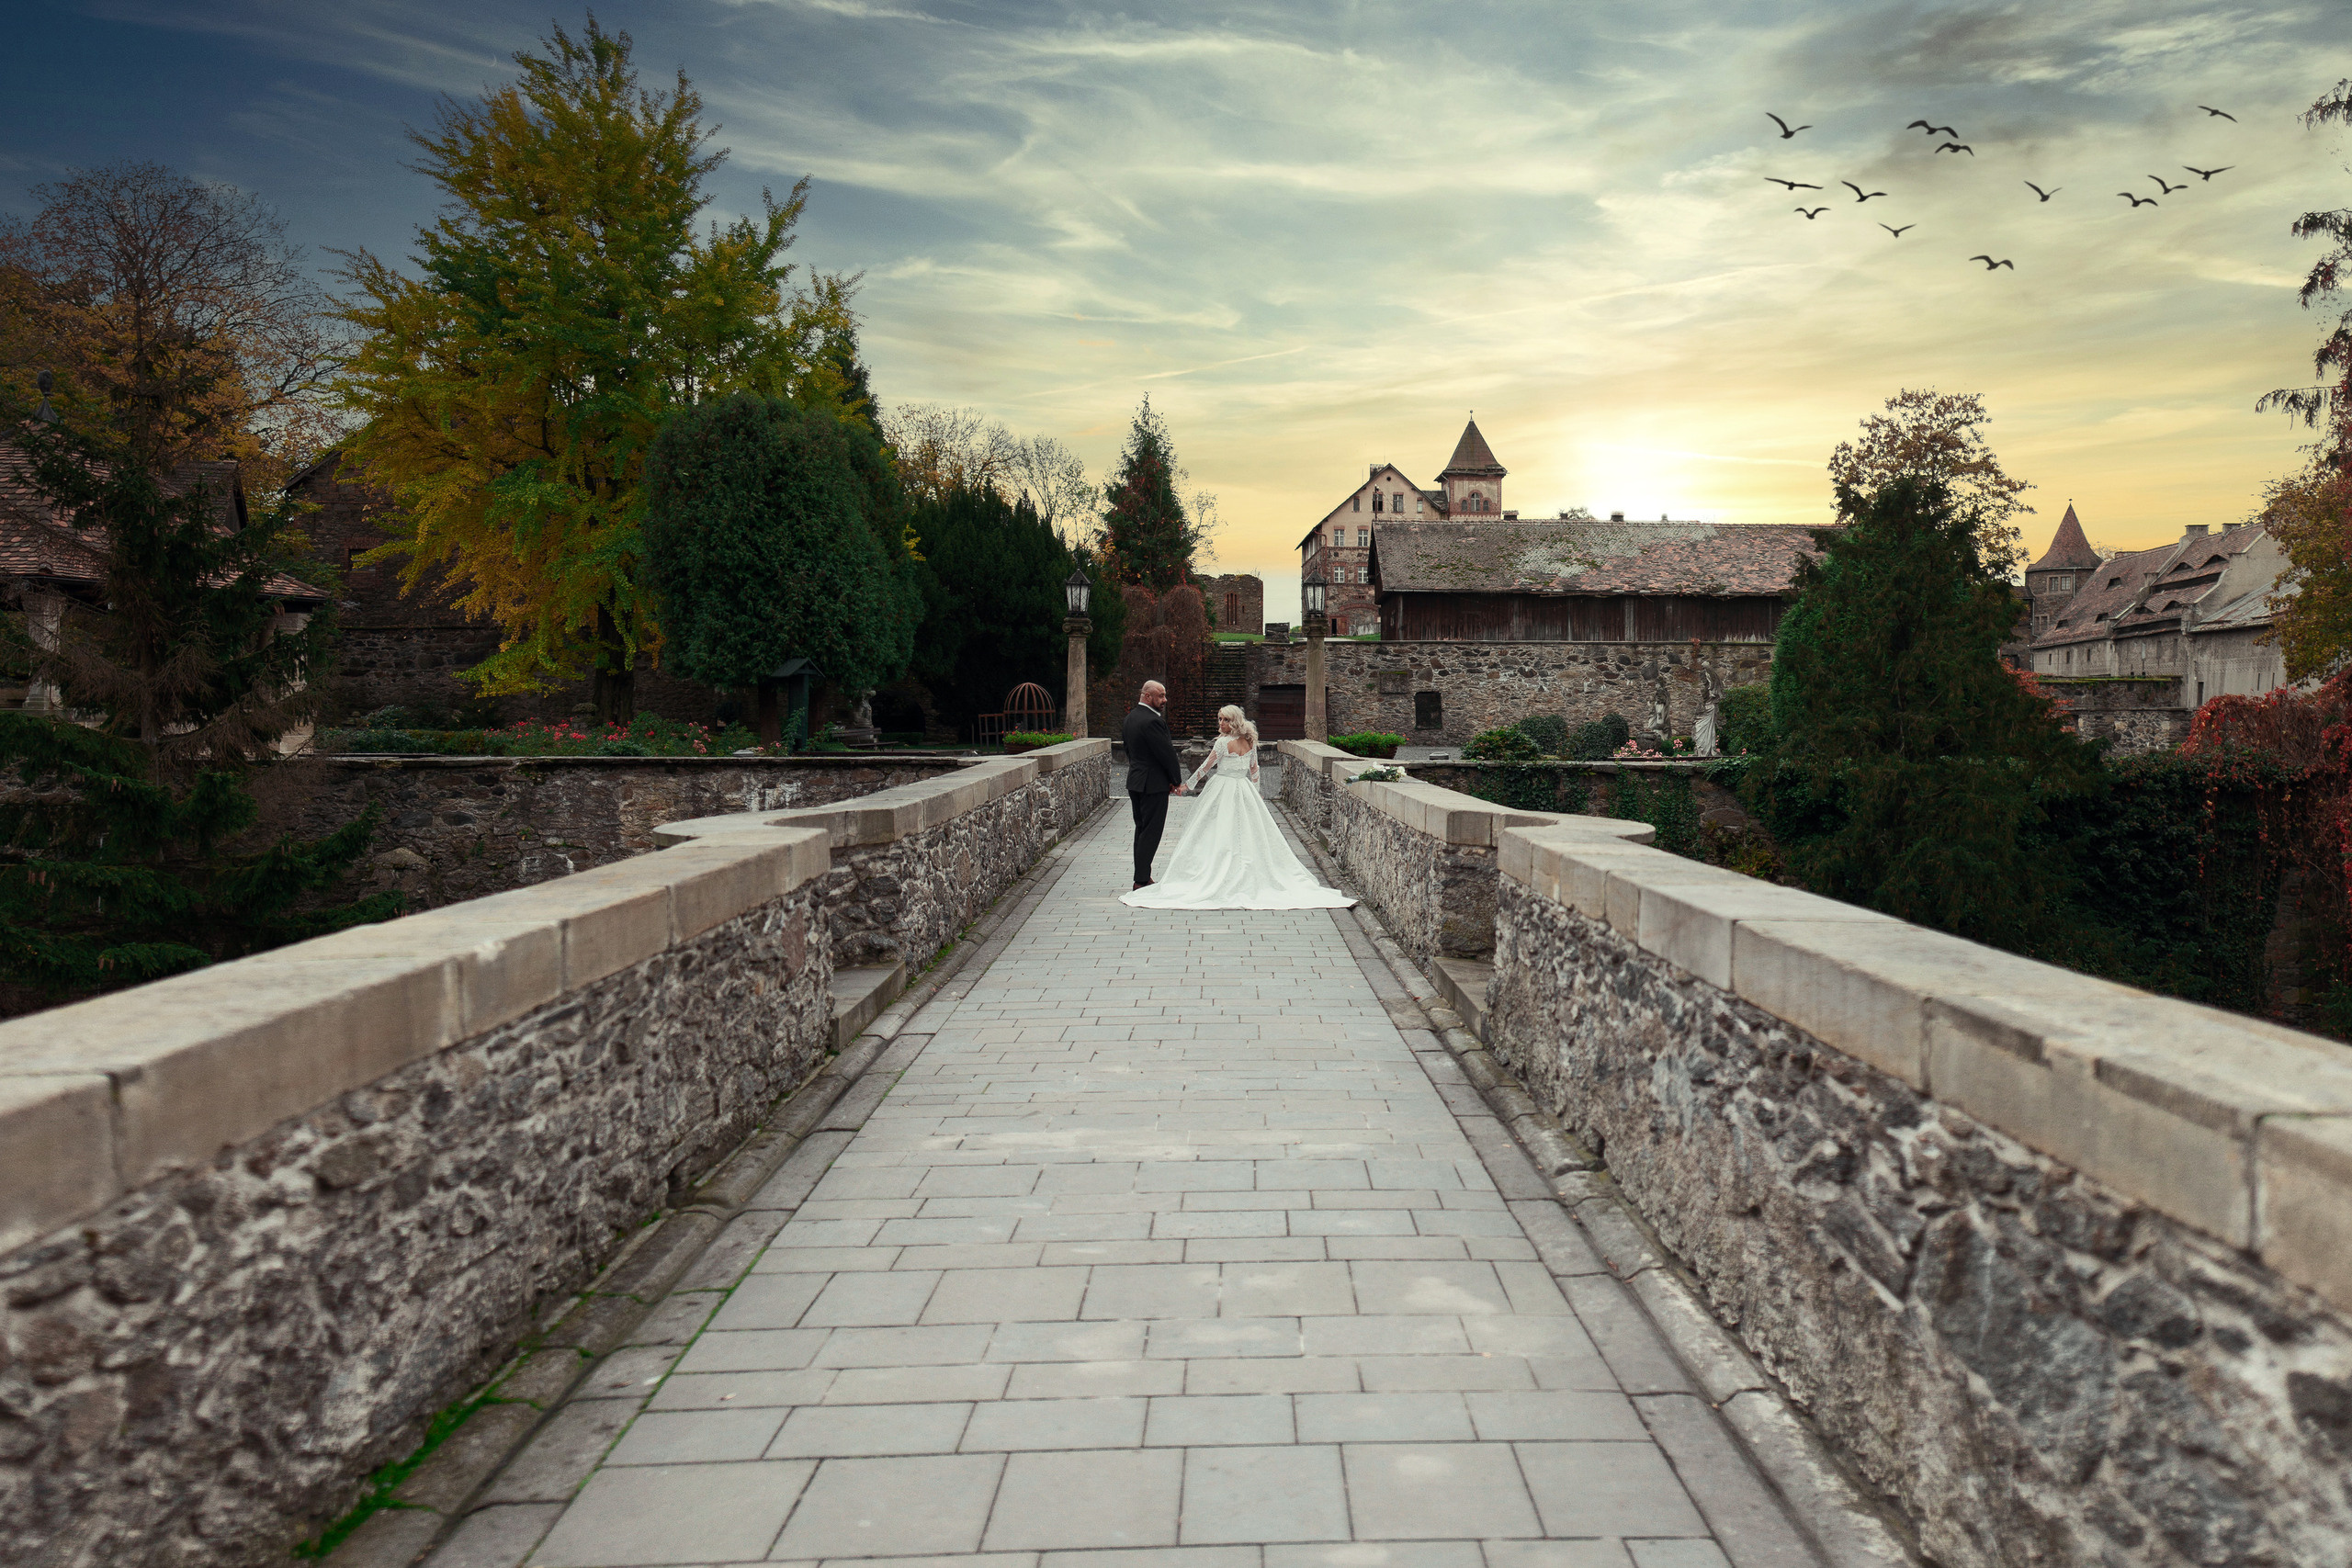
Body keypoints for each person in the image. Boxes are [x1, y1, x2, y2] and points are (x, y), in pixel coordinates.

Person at [1122, 705, 1355, 910]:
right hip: (1244, 789)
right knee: (1243, 830)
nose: (1220, 723)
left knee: (1218, 829)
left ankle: (1222, 873)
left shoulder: (1223, 743)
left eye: (1224, 719)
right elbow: (1254, 771)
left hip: (1223, 788)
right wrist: (1256, 792)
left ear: (1233, 722)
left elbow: (1205, 767)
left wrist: (1186, 786)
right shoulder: (1249, 742)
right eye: (1219, 719)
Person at [1122, 680, 1184, 890]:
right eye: (1161, 695)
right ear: (1147, 696)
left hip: (1136, 781)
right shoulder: (1153, 721)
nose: (1164, 700)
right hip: (1153, 785)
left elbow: (1129, 752)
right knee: (1152, 831)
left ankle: (1142, 876)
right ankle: (1140, 880)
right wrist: (1175, 780)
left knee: (1141, 829)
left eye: (1164, 695)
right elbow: (1166, 754)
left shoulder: (1130, 718)